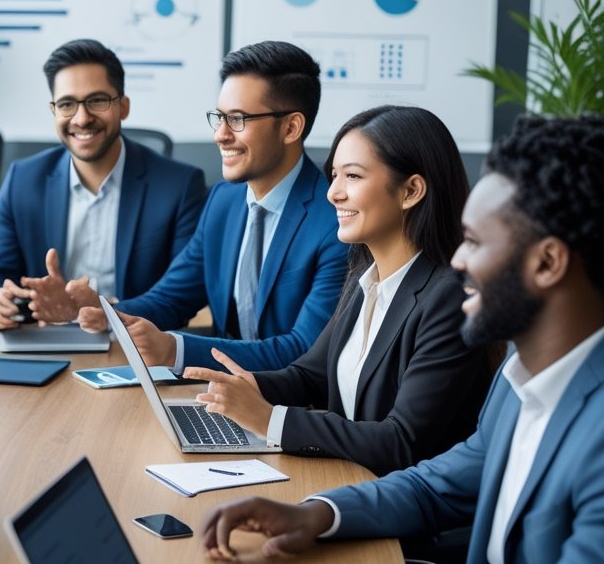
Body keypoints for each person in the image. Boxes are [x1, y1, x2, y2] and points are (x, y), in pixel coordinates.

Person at [175, 115, 604, 564]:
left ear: (547, 262)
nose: (456, 262)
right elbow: (438, 483)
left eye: (475, 243)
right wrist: (318, 513)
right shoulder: (520, 377)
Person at [182, 106, 494, 476]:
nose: (333, 193)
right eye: (334, 175)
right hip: (346, 479)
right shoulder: (366, 276)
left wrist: (271, 420)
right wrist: (248, 387)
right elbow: (310, 376)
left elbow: (401, 442)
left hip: (399, 518)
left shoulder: (449, 299)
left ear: (411, 190)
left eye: (353, 176)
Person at [78, 40, 346, 373]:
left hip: (290, 408)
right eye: (219, 118)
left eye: (237, 119)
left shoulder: (336, 224)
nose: (220, 135)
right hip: (217, 394)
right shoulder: (223, 201)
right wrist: (103, 311)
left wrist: (175, 349)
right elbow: (172, 298)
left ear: (291, 127)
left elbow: (304, 351)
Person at [0, 38, 206, 328]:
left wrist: (100, 311)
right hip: (43, 340)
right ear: (54, 110)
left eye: (97, 101)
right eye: (67, 104)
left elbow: (180, 297)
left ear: (123, 107)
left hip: (134, 345)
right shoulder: (23, 179)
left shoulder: (179, 186)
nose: (82, 118)